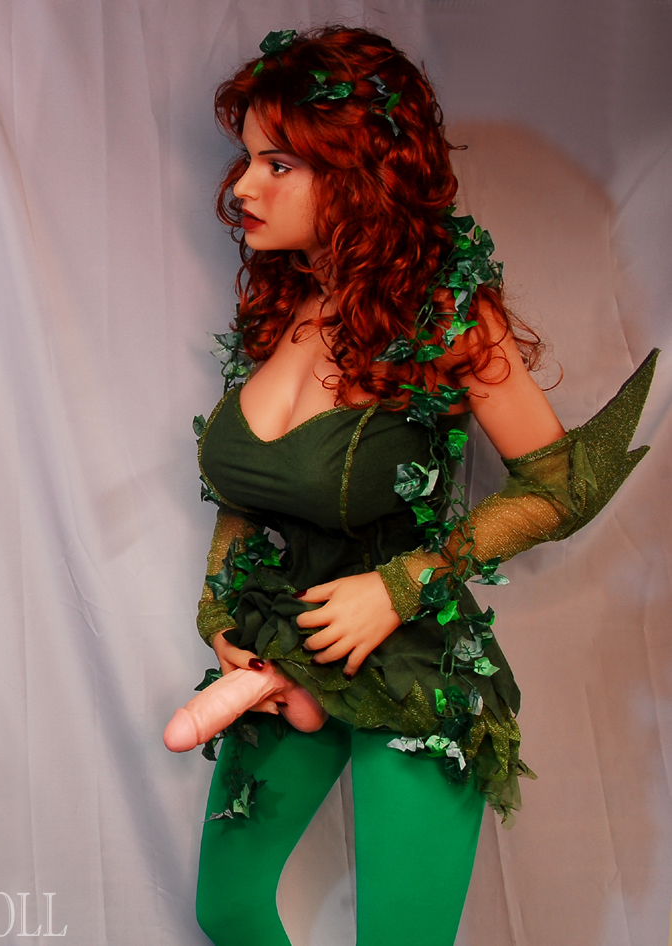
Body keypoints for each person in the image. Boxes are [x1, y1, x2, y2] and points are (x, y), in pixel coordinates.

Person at [182, 26, 655, 946]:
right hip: (286, 651)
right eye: (246, 160)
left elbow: (561, 484)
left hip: (414, 668)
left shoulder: (444, 314)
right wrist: (217, 609)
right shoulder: (281, 308)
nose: (242, 187)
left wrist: (401, 584)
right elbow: (250, 491)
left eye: (278, 164)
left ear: (356, 174)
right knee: (227, 906)